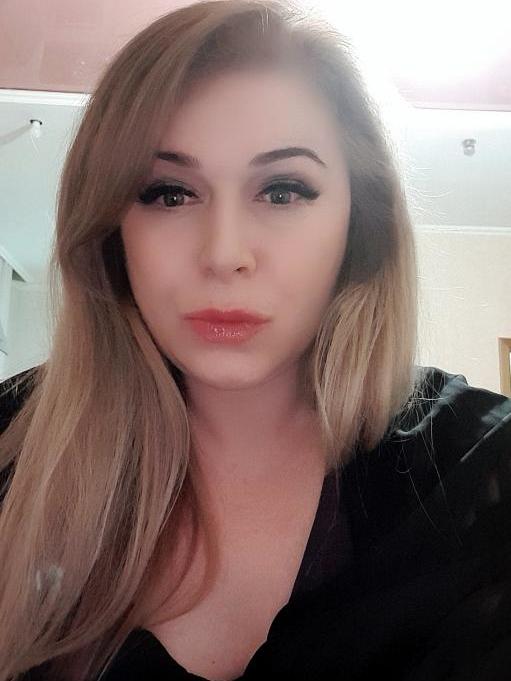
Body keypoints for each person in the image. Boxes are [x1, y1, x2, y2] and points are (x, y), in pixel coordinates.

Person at [0, 0, 510, 679]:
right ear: (110, 229)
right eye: (168, 193)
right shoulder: (15, 446)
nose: (224, 255)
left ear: (359, 222)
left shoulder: (479, 473)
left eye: (282, 191)